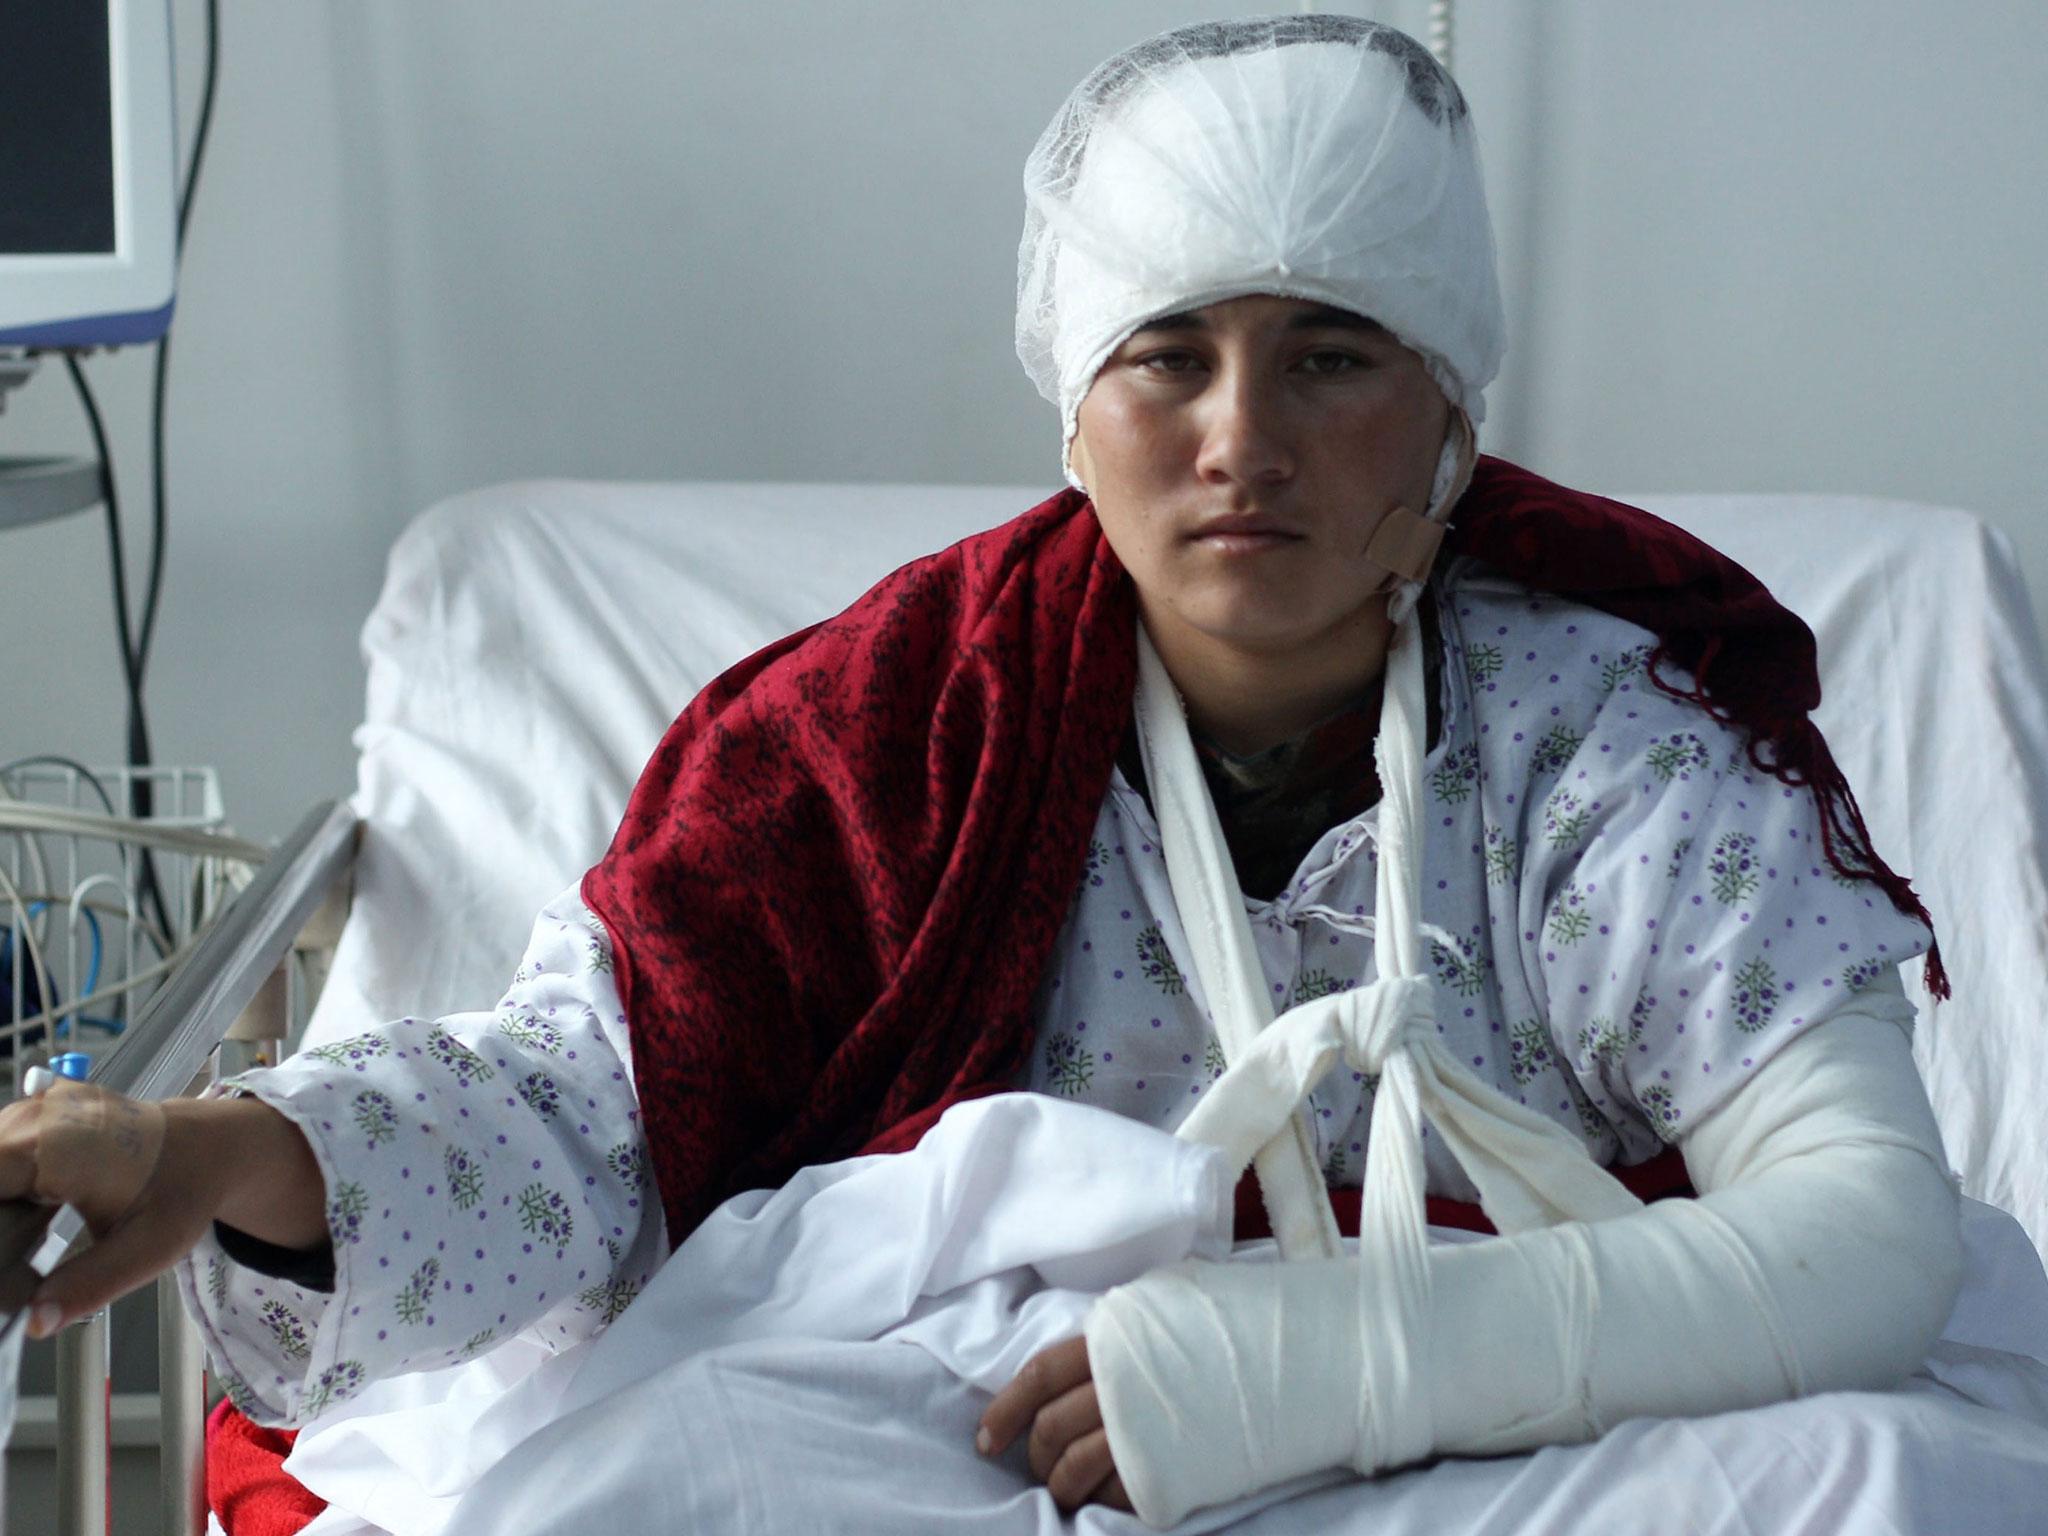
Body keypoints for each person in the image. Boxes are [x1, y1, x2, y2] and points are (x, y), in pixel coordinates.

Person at [0, 16, 1969, 1531]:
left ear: (1451, 417)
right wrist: (204, 1149)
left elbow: (1862, 1230)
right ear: (1074, 407)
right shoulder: (885, 729)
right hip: (994, 1429)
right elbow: (581, 1111)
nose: (1241, 437)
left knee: (1902, 1481)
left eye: (1331, 356)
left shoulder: (1605, 746)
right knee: (635, 1478)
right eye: (1168, 356)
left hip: (1533, 1422)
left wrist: (1331, 1368)